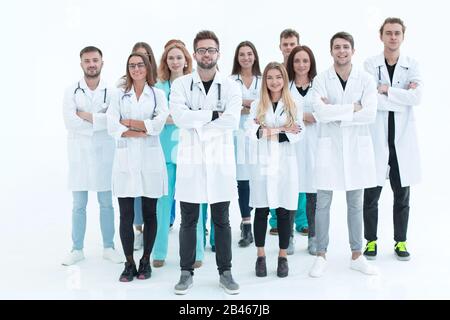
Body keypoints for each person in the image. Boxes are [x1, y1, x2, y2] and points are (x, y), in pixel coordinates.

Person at [170, 30, 241, 295]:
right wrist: (212, 115)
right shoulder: (180, 85)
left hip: (220, 162)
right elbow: (178, 117)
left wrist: (197, 122)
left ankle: (225, 272)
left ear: (218, 53)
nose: (206, 54)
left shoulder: (231, 86)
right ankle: (185, 272)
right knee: (188, 219)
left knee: (222, 219)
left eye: (211, 50)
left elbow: (232, 120)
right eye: (201, 50)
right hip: (191, 160)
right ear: (194, 54)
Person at [308, 32, 378, 278]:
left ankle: (357, 255)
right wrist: (352, 108)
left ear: (353, 51)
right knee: (323, 203)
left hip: (356, 149)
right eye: (337, 47)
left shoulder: (366, 80)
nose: (341, 51)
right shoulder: (321, 79)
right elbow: (319, 112)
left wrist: (334, 112)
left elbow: (369, 114)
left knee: (355, 204)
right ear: (331, 51)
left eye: (346, 47)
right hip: (329, 147)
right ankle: (321, 254)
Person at [363, 18, 423, 261]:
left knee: (402, 196)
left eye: (397, 33)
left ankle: (400, 242)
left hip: (401, 142)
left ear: (403, 36)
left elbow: (417, 98)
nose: (393, 37)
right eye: (388, 33)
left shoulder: (412, 65)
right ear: (381, 36)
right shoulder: (370, 64)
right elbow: (370, 99)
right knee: (371, 195)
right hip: (377, 139)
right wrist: (401, 95)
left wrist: (386, 90)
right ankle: (371, 242)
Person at [107, 52, 169, 282]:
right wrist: (141, 130)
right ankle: (129, 262)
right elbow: (112, 125)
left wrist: (130, 124)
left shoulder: (158, 94)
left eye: (140, 65)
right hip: (125, 159)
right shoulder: (118, 95)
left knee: (150, 212)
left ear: (147, 67)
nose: (136, 69)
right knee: (126, 214)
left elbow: (159, 124)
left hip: (150, 159)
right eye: (132, 66)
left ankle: (145, 260)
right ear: (128, 69)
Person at [62, 46, 123, 266]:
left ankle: (109, 247)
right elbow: (70, 122)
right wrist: (99, 120)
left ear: (102, 62)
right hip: (79, 155)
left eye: (95, 60)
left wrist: (86, 117)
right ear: (81, 64)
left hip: (105, 154)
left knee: (106, 203)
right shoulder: (71, 91)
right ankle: (77, 249)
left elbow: (113, 121)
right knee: (79, 204)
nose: (91, 64)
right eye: (87, 61)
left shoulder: (112, 92)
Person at [245, 62, 303, 278]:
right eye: (269, 77)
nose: (274, 81)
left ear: (284, 79)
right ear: (265, 81)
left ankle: (282, 256)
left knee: (284, 211)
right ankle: (260, 256)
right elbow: (251, 131)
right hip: (262, 164)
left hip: (286, 165)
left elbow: (297, 134)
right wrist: (282, 129)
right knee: (261, 210)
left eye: (278, 77)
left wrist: (268, 130)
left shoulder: (294, 104)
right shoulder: (257, 105)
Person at [152, 39, 204, 269]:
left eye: (179, 57)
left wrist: (177, 118)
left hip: (189, 152)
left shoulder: (196, 85)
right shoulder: (158, 87)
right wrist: (179, 117)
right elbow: (157, 119)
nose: (174, 61)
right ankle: (159, 251)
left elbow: (199, 115)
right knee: (162, 205)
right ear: (165, 61)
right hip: (164, 153)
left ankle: (198, 253)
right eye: (170, 58)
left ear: (186, 61)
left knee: (194, 204)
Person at [269, 29, 308, 253]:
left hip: (299, 136)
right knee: (275, 177)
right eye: (285, 44)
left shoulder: (302, 69)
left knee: (298, 178)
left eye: (293, 43)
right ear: (280, 46)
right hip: (276, 141)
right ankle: (276, 221)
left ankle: (301, 220)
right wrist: (281, 128)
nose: (289, 47)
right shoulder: (276, 71)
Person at [286, 45, 319, 255]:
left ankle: (314, 237)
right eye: (297, 61)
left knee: (313, 192)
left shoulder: (319, 85)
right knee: (290, 190)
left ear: (311, 63)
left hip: (315, 145)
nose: (301, 65)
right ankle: (287, 236)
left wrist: (297, 116)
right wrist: (306, 116)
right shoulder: (285, 86)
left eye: (305, 61)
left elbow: (322, 114)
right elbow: (283, 115)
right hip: (290, 145)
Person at [229, 41, 262, 248]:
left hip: (259, 136)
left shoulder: (263, 79)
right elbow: (229, 107)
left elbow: (265, 105)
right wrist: (253, 105)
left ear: (255, 56)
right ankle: (246, 224)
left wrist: (244, 103)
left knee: (258, 178)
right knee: (242, 181)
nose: (246, 58)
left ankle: (259, 223)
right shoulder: (230, 81)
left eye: (250, 54)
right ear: (237, 58)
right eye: (242, 54)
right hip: (237, 135)